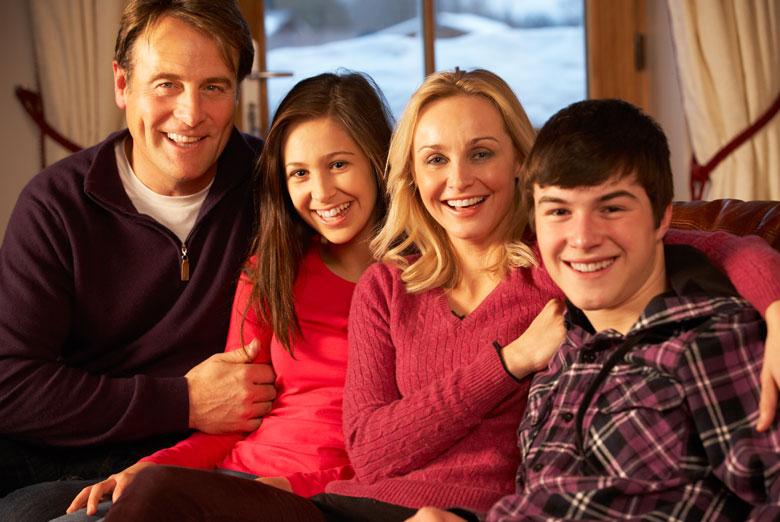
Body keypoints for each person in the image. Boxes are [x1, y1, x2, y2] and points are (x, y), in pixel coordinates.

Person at [102, 69, 780, 522]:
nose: (458, 179)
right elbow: (370, 449)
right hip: (350, 505)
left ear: (521, 162)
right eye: (435, 158)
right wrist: (505, 363)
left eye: (482, 153)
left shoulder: (561, 261)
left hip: (462, 515)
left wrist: (778, 309)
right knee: (157, 494)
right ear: (411, 174)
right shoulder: (388, 285)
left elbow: (720, 245)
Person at [410, 99, 780, 522]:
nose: (582, 238)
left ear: (662, 219)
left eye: (612, 208)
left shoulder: (712, 343)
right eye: (559, 211)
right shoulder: (559, 357)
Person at [56, 71, 393, 521]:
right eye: (299, 173)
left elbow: (408, 442)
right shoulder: (271, 269)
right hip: (231, 478)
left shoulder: (421, 282)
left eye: (338, 164)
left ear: (376, 159)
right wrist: (150, 466)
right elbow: (234, 422)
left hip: (321, 498)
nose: (322, 192)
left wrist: (299, 487)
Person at [0, 0, 275, 517]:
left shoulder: (277, 188)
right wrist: (183, 400)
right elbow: (10, 383)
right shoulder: (56, 204)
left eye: (213, 87)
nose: (191, 115)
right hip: (64, 444)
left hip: (196, 455)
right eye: (166, 84)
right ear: (122, 86)